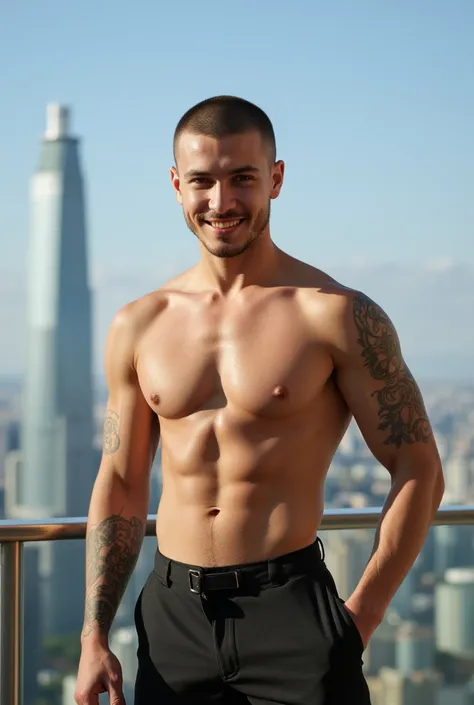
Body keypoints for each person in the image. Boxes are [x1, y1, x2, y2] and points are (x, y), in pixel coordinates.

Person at [75, 96, 444, 705]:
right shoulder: (139, 324)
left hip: (292, 610)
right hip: (172, 615)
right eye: (201, 181)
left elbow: (420, 467)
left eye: (242, 178)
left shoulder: (337, 315)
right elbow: (119, 480)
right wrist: (94, 635)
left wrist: (363, 617)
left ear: (275, 179)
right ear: (176, 185)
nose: (221, 202)